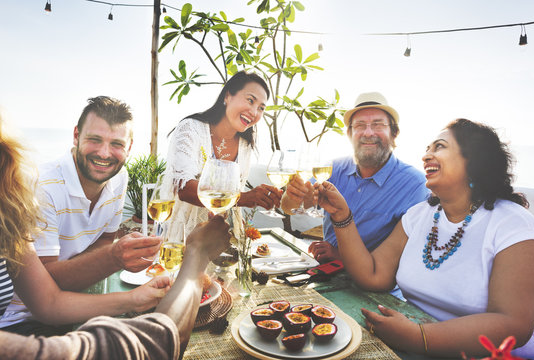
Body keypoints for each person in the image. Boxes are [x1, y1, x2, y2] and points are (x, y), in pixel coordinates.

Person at [315, 118, 534, 358]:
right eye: (427, 150)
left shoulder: (512, 223)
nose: (426, 156)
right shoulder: (419, 215)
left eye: (439, 147)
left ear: (474, 160)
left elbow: (513, 324)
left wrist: (418, 336)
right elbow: (373, 276)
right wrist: (341, 215)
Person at [0, 116, 176, 355]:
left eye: (116, 144)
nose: (104, 153)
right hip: (20, 330)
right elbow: (50, 293)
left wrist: (136, 298)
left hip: (46, 319)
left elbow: (48, 303)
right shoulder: (42, 186)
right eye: (95, 140)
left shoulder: (7, 212)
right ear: (76, 136)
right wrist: (113, 259)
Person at [281, 92, 429, 263]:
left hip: (374, 286)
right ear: (350, 134)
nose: (368, 132)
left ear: (394, 133)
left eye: (378, 125)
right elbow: (289, 208)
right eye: (359, 125)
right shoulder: (332, 169)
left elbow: (410, 255)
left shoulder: (415, 185)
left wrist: (340, 256)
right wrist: (295, 196)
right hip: (325, 272)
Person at [165, 71, 281, 238]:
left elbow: (234, 198)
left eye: (261, 108)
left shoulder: (246, 144)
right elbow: (184, 188)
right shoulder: (191, 129)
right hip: (184, 237)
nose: (255, 112)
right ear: (227, 96)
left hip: (224, 238)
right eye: (250, 100)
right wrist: (244, 198)